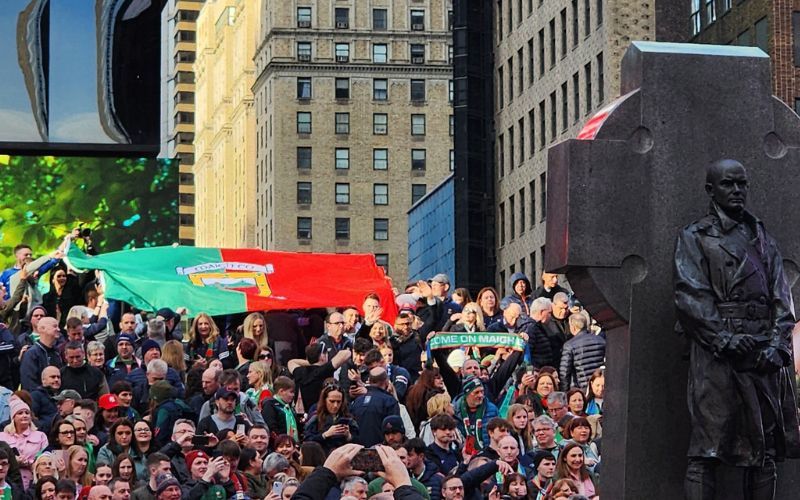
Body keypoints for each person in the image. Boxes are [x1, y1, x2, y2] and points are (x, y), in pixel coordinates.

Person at [674, 159, 800, 499]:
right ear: (711, 190)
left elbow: (782, 298)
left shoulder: (762, 236)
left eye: (742, 184)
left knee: (763, 448)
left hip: (761, 353)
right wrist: (723, 337)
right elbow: (689, 295)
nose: (737, 191)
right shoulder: (695, 236)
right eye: (728, 184)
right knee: (708, 447)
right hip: (718, 357)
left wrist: (778, 346)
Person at [0, 398, 48, 489]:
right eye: (20, 413)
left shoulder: (41, 436)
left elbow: (45, 457)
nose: (24, 415)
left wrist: (29, 463)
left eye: (27, 413)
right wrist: (13, 460)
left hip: (33, 482)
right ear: (13, 417)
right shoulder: (2, 436)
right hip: (9, 482)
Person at [290, 342, 351, 413]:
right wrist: (326, 363)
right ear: (322, 356)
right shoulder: (325, 370)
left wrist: (311, 361)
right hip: (321, 413)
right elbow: (347, 353)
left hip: (303, 414)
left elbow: (291, 362)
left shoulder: (299, 371)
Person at [350, 367, 400, 447]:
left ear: (369, 381)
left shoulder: (357, 401)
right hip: (381, 451)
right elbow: (395, 430)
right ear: (386, 381)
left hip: (358, 450)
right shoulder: (389, 401)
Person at [304, 383, 359, 454]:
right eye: (332, 401)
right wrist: (325, 435)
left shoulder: (349, 419)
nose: (335, 405)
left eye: (339, 402)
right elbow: (307, 441)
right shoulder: (315, 418)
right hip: (322, 456)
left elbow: (358, 442)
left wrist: (349, 436)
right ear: (324, 400)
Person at [558, 315, 605, 392]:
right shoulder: (600, 340)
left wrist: (565, 392)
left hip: (581, 388)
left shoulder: (569, 345)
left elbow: (564, 372)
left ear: (573, 327)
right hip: (600, 386)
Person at [453, 376, 498, 451]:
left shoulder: (492, 410)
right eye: (476, 392)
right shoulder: (455, 411)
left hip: (488, 453)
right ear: (467, 394)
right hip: (463, 454)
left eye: (482, 391)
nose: (481, 395)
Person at [20, 316, 63, 392]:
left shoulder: (57, 353)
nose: (58, 329)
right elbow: (29, 383)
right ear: (42, 329)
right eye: (55, 326)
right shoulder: (31, 354)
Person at [261, 376, 298, 441]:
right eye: (291, 392)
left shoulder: (288, 407)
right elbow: (271, 427)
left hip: (291, 443)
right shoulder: (269, 405)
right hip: (278, 443)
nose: (293, 395)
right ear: (281, 391)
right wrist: (282, 441)